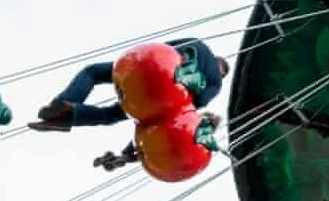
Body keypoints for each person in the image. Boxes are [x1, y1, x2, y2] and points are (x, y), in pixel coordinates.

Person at [29, 39, 227, 133]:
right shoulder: (216, 84)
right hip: (161, 99)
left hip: (151, 67)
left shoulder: (199, 44)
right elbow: (197, 103)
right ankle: (69, 117)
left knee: (93, 72)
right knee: (110, 115)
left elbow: (164, 46)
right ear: (222, 71)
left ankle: (65, 102)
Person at [94, 110, 223, 173]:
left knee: (132, 151)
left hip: (149, 135)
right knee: (139, 156)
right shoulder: (202, 131)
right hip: (159, 144)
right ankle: (118, 160)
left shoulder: (194, 117)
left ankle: (117, 159)